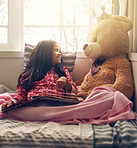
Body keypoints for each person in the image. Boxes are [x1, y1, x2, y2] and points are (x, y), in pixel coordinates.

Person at [1, 40, 77, 110]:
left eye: (59, 51)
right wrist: (13, 102)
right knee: (12, 109)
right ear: (44, 53)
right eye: (55, 50)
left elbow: (75, 92)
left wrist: (66, 82)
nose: (60, 53)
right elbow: (22, 95)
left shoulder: (62, 71)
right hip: (35, 105)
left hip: (57, 105)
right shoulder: (31, 73)